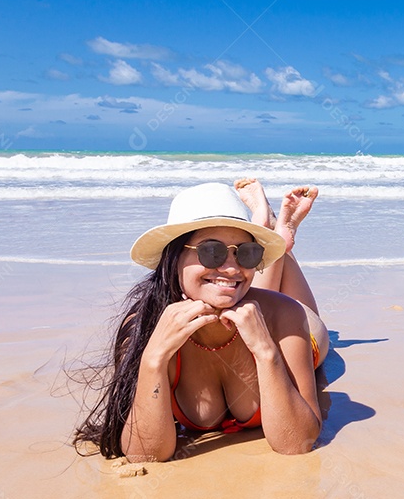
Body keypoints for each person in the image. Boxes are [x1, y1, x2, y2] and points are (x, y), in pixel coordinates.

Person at [74, 179, 328, 462]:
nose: (231, 266)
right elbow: (145, 454)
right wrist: (154, 359)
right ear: (174, 256)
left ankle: (281, 241)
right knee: (240, 290)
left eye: (247, 253)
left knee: (272, 302)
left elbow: (297, 443)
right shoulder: (143, 326)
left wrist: (266, 352)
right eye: (211, 252)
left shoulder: (286, 316)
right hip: (251, 304)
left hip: (298, 330)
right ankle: (266, 227)